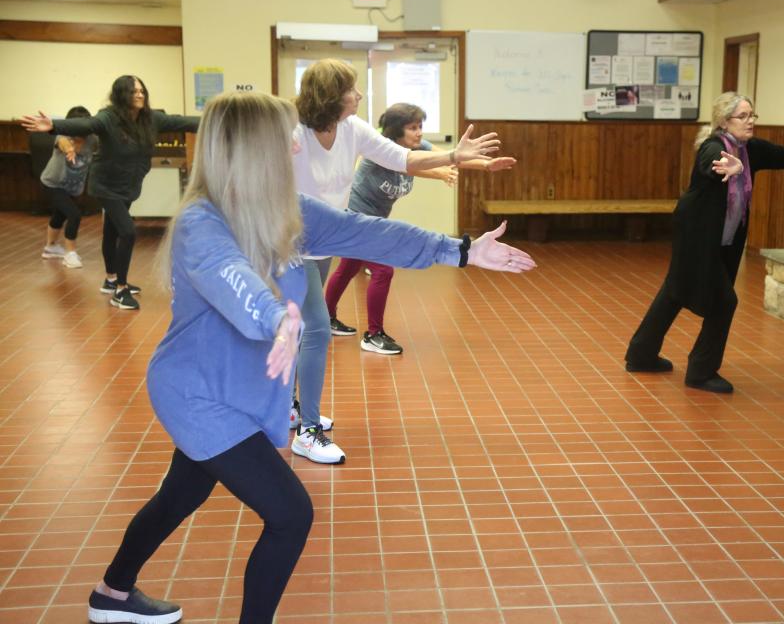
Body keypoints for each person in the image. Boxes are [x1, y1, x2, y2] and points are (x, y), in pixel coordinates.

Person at [84, 90, 534, 624]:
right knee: (291, 514)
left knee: (180, 495)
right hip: (200, 394)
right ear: (254, 148)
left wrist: (459, 250)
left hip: (241, 389)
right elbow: (236, 280)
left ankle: (111, 595)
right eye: (286, 137)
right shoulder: (201, 223)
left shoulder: (286, 208)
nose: (297, 145)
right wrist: (277, 318)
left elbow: (367, 232)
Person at [288, 59, 513, 465]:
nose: (358, 95)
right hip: (289, 246)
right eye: (351, 89)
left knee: (300, 326)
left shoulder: (353, 130)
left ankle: (288, 406)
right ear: (330, 96)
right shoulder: (294, 134)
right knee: (317, 329)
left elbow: (405, 160)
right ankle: (307, 430)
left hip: (325, 241)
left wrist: (456, 157)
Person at [624, 92, 784, 394]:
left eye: (752, 115)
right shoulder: (714, 146)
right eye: (743, 116)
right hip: (696, 236)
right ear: (724, 121)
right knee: (724, 301)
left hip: (716, 239)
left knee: (675, 291)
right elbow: (710, 163)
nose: (750, 121)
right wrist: (726, 167)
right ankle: (701, 372)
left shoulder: (750, 150)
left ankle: (640, 355)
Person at [325, 102, 516, 356]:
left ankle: (325, 320)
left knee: (348, 267)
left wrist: (485, 165)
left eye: (421, 127)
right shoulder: (380, 151)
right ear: (395, 130)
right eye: (412, 128)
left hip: (374, 220)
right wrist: (439, 173)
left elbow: (453, 156)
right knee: (383, 269)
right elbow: (411, 165)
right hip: (354, 217)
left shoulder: (417, 147)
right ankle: (373, 335)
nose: (419, 133)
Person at [21, 75, 200, 310]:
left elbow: (185, 122)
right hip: (105, 185)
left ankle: (111, 279)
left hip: (129, 186)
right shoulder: (108, 119)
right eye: (133, 91)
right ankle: (121, 290)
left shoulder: (151, 119)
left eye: (141, 91)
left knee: (112, 230)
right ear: (120, 95)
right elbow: (85, 125)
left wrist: (224, 115)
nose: (139, 94)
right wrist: (53, 126)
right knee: (127, 231)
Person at [38, 105, 98, 268]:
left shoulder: (92, 139)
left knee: (60, 215)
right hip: (52, 184)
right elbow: (62, 143)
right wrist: (70, 149)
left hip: (72, 188)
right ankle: (70, 254)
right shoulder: (63, 136)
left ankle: (50, 248)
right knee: (74, 214)